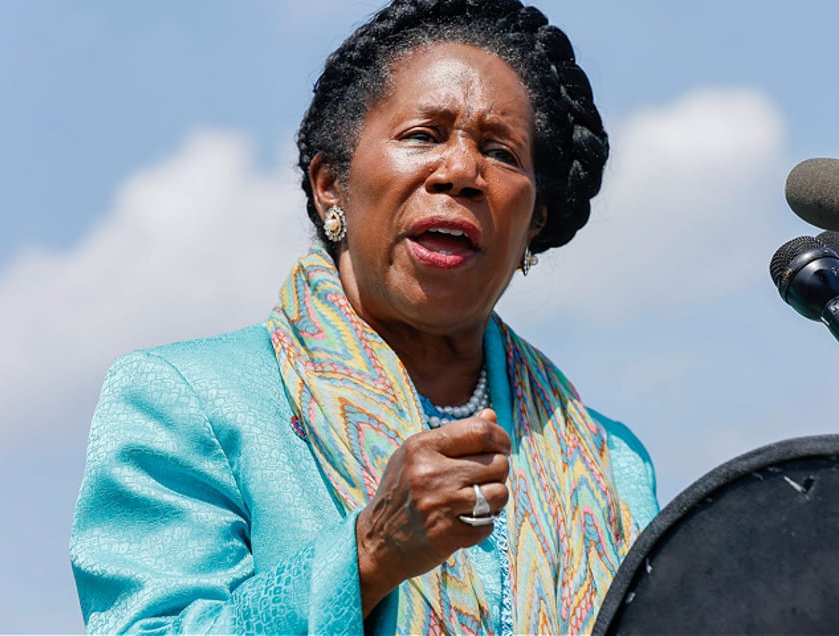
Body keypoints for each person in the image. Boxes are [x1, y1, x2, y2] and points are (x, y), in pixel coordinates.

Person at [70, 0, 658, 633]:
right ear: (332, 185)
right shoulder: (183, 402)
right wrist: (370, 553)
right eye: (423, 135)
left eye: (501, 153)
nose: (462, 171)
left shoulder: (612, 463)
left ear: (533, 225)